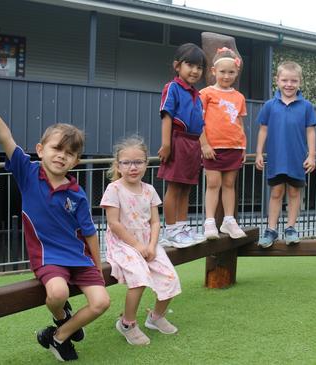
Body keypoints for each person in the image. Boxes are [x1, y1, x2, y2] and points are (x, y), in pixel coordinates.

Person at [0, 79, 110, 361]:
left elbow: (89, 233)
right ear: (40, 149)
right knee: (58, 293)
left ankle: (57, 337)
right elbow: (5, 136)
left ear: (75, 161)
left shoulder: (78, 194)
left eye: (69, 153)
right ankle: (63, 318)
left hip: (79, 257)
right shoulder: (28, 174)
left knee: (101, 302)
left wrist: (97, 265)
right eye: (56, 149)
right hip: (48, 257)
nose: (61, 156)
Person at [100, 136, 181, 346]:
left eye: (138, 162)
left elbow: (155, 222)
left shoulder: (149, 190)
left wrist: (152, 245)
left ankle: (156, 317)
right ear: (118, 165)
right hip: (124, 243)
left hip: (148, 242)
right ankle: (127, 323)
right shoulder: (114, 189)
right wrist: (137, 246)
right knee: (140, 276)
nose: (132, 167)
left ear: (146, 163)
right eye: (126, 162)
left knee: (170, 277)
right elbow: (114, 224)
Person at [255, 61, 316, 248]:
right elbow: (263, 130)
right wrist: (259, 152)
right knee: (276, 192)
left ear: (299, 82)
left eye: (293, 81)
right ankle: (271, 229)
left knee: (294, 192)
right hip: (276, 157)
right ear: (277, 80)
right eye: (285, 80)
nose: (289, 84)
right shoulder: (269, 105)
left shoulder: (306, 106)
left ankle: (291, 228)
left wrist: (312, 155)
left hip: (297, 158)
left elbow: (311, 131)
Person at [157, 43, 207, 248]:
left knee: (186, 188)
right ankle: (170, 230)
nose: (195, 70)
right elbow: (167, 115)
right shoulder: (173, 87)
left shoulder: (197, 95)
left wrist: (202, 147)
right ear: (177, 66)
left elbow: (200, 124)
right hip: (178, 140)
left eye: (199, 67)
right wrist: (166, 144)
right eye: (190, 65)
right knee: (174, 187)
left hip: (193, 143)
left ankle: (182, 226)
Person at [199, 47, 248, 240]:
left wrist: (243, 146)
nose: (226, 76)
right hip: (213, 146)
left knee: (229, 184)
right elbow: (198, 120)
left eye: (231, 72)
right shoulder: (205, 93)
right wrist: (204, 144)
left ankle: (229, 220)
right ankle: (210, 221)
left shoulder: (239, 97)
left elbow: (240, 122)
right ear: (213, 72)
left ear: (236, 73)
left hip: (234, 146)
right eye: (222, 72)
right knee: (213, 183)